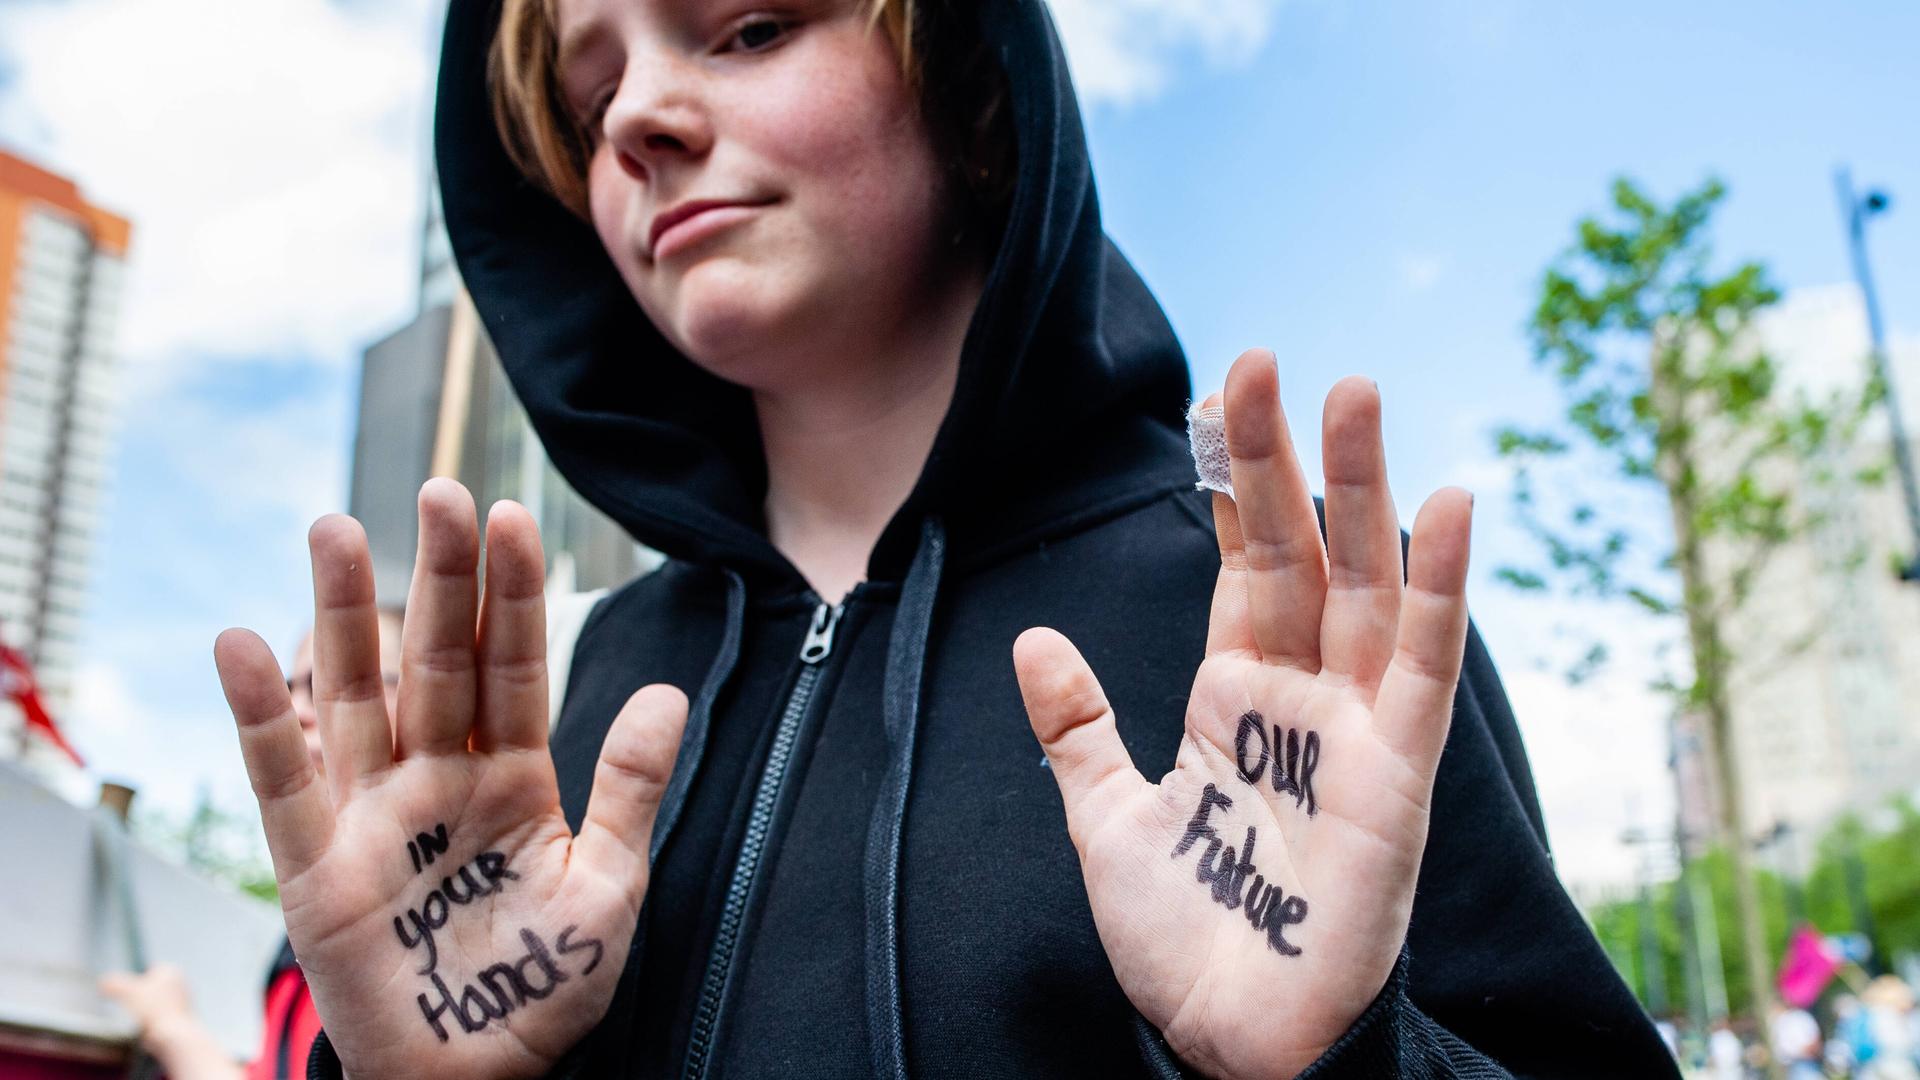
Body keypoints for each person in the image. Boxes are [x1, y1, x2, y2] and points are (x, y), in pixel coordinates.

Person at [211, 1, 1677, 1076]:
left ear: (970, 78)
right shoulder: (571, 700)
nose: (640, 122)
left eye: (747, 28)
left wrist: (1343, 1063)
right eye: (592, 104)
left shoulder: (1282, 619)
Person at [104, 611, 403, 1080]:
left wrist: (173, 1030)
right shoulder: (301, 946)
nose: (299, 711)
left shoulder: (452, 931)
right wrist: (171, 1027)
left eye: (332, 684)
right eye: (291, 687)